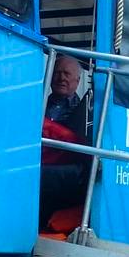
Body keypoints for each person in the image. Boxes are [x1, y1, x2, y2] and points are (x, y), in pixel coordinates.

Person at [40, 54, 90, 229]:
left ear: (77, 81)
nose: (61, 78)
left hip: (65, 166)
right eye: (58, 73)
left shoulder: (84, 113)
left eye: (67, 74)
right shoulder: (38, 104)